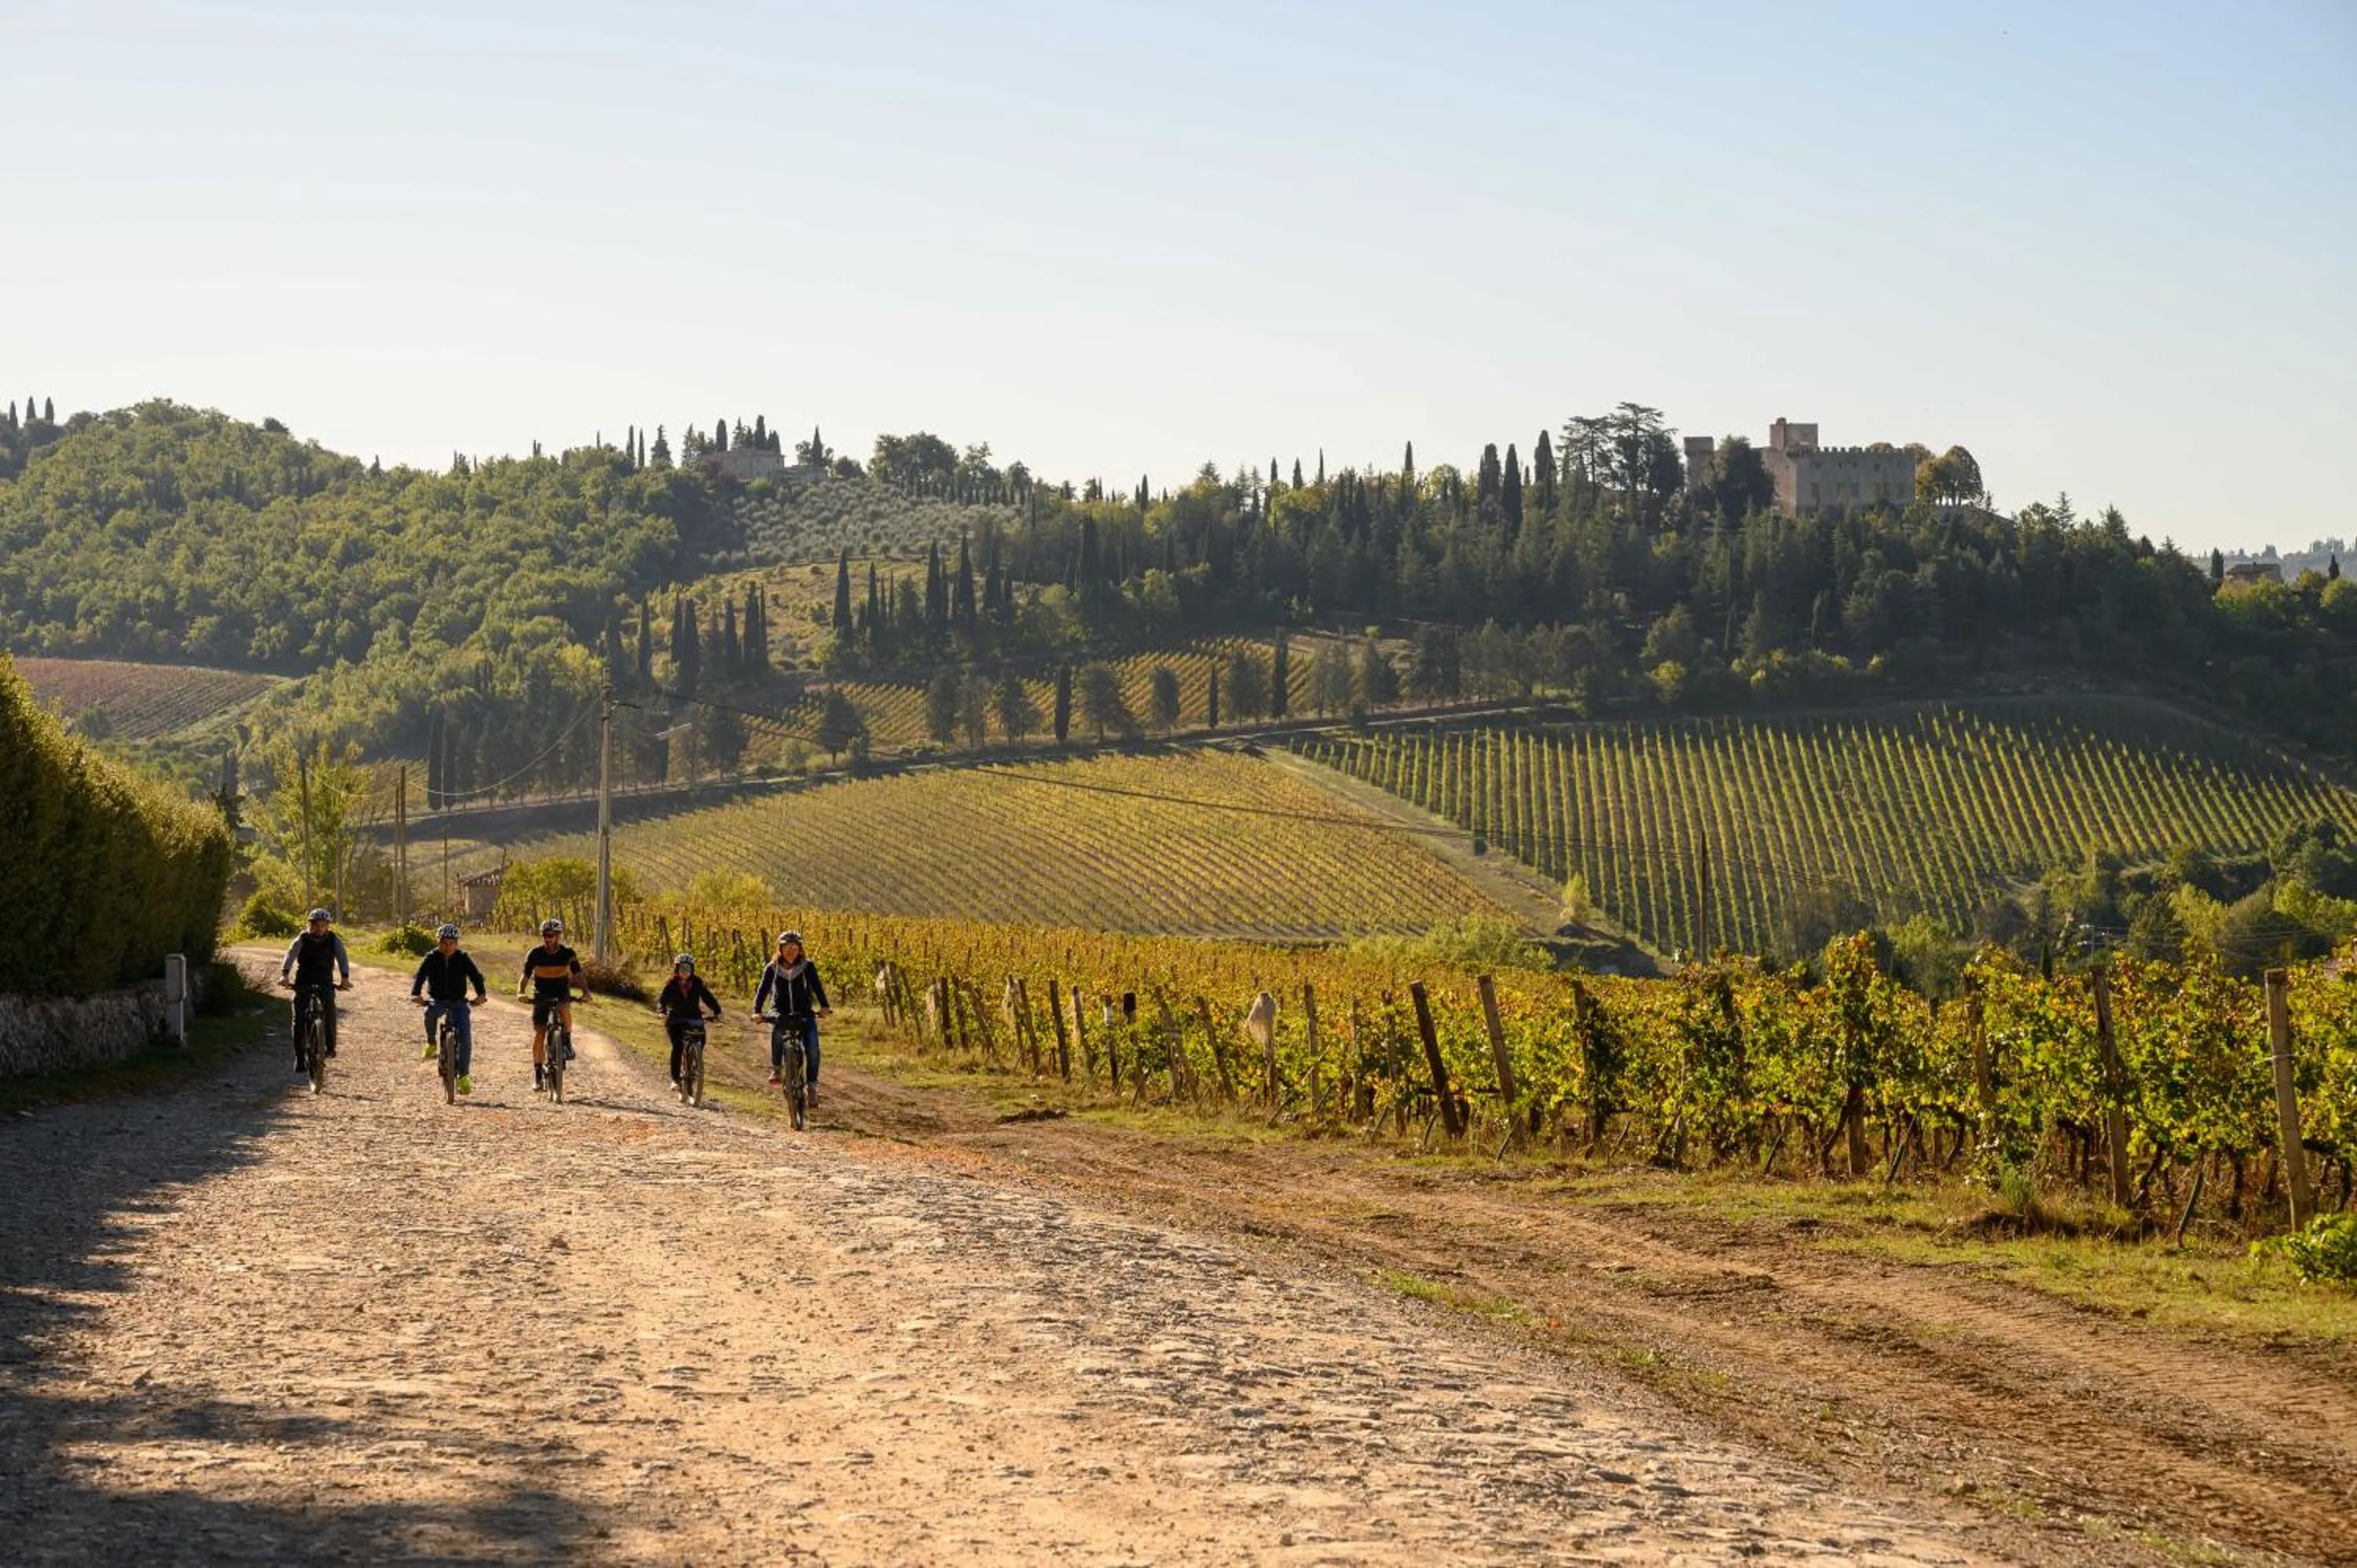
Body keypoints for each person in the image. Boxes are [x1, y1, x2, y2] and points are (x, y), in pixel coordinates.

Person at [410, 923, 489, 1096]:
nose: (447, 947)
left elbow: (476, 977)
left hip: (458, 1002)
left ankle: (464, 1077)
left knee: (465, 1037)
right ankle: (431, 1043)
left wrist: (481, 995)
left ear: (456, 943)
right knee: (429, 1012)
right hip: (437, 1000)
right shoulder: (431, 958)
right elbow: (420, 976)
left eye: (451, 943)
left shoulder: (463, 958)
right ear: (438, 942)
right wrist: (416, 994)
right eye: (444, 943)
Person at [753, 929, 830, 1104]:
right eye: (787, 947)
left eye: (794, 947)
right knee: (777, 1032)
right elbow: (762, 990)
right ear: (780, 949)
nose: (791, 951)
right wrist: (757, 1011)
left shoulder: (807, 966)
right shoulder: (772, 968)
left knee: (813, 1048)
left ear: (800, 949)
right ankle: (776, 1069)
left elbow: (817, 987)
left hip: (804, 1013)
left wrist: (824, 1007)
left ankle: (812, 1086)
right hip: (779, 1011)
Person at [277, 908, 350, 1073]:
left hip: (325, 981)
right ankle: (299, 1056)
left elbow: (342, 957)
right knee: (299, 1018)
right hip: (304, 981)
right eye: (315, 925)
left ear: (327, 926)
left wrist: (345, 978)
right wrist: (285, 975)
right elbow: (290, 955)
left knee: (330, 1009)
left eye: (323, 925)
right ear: (309, 925)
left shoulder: (333, 940)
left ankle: (330, 1047)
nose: (319, 929)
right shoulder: (302, 939)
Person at [518, 918, 586, 1093]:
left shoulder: (568, 953)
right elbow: (525, 976)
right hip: (541, 993)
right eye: (545, 935)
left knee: (564, 1009)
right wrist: (521, 992)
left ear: (558, 936)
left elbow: (578, 974)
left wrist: (586, 992)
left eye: (551, 935)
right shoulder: (535, 954)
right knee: (539, 1033)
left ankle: (567, 1043)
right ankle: (538, 1076)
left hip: (561, 991)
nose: (547, 938)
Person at [657, 954, 724, 1086]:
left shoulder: (698, 984)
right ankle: (676, 1079)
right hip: (676, 1020)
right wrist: (662, 1012)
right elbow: (662, 1001)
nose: (685, 972)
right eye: (682, 968)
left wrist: (718, 1011)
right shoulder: (671, 985)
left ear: (692, 970)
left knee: (701, 1040)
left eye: (688, 969)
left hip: (694, 1019)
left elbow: (708, 998)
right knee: (678, 1047)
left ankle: (694, 1063)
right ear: (677, 970)